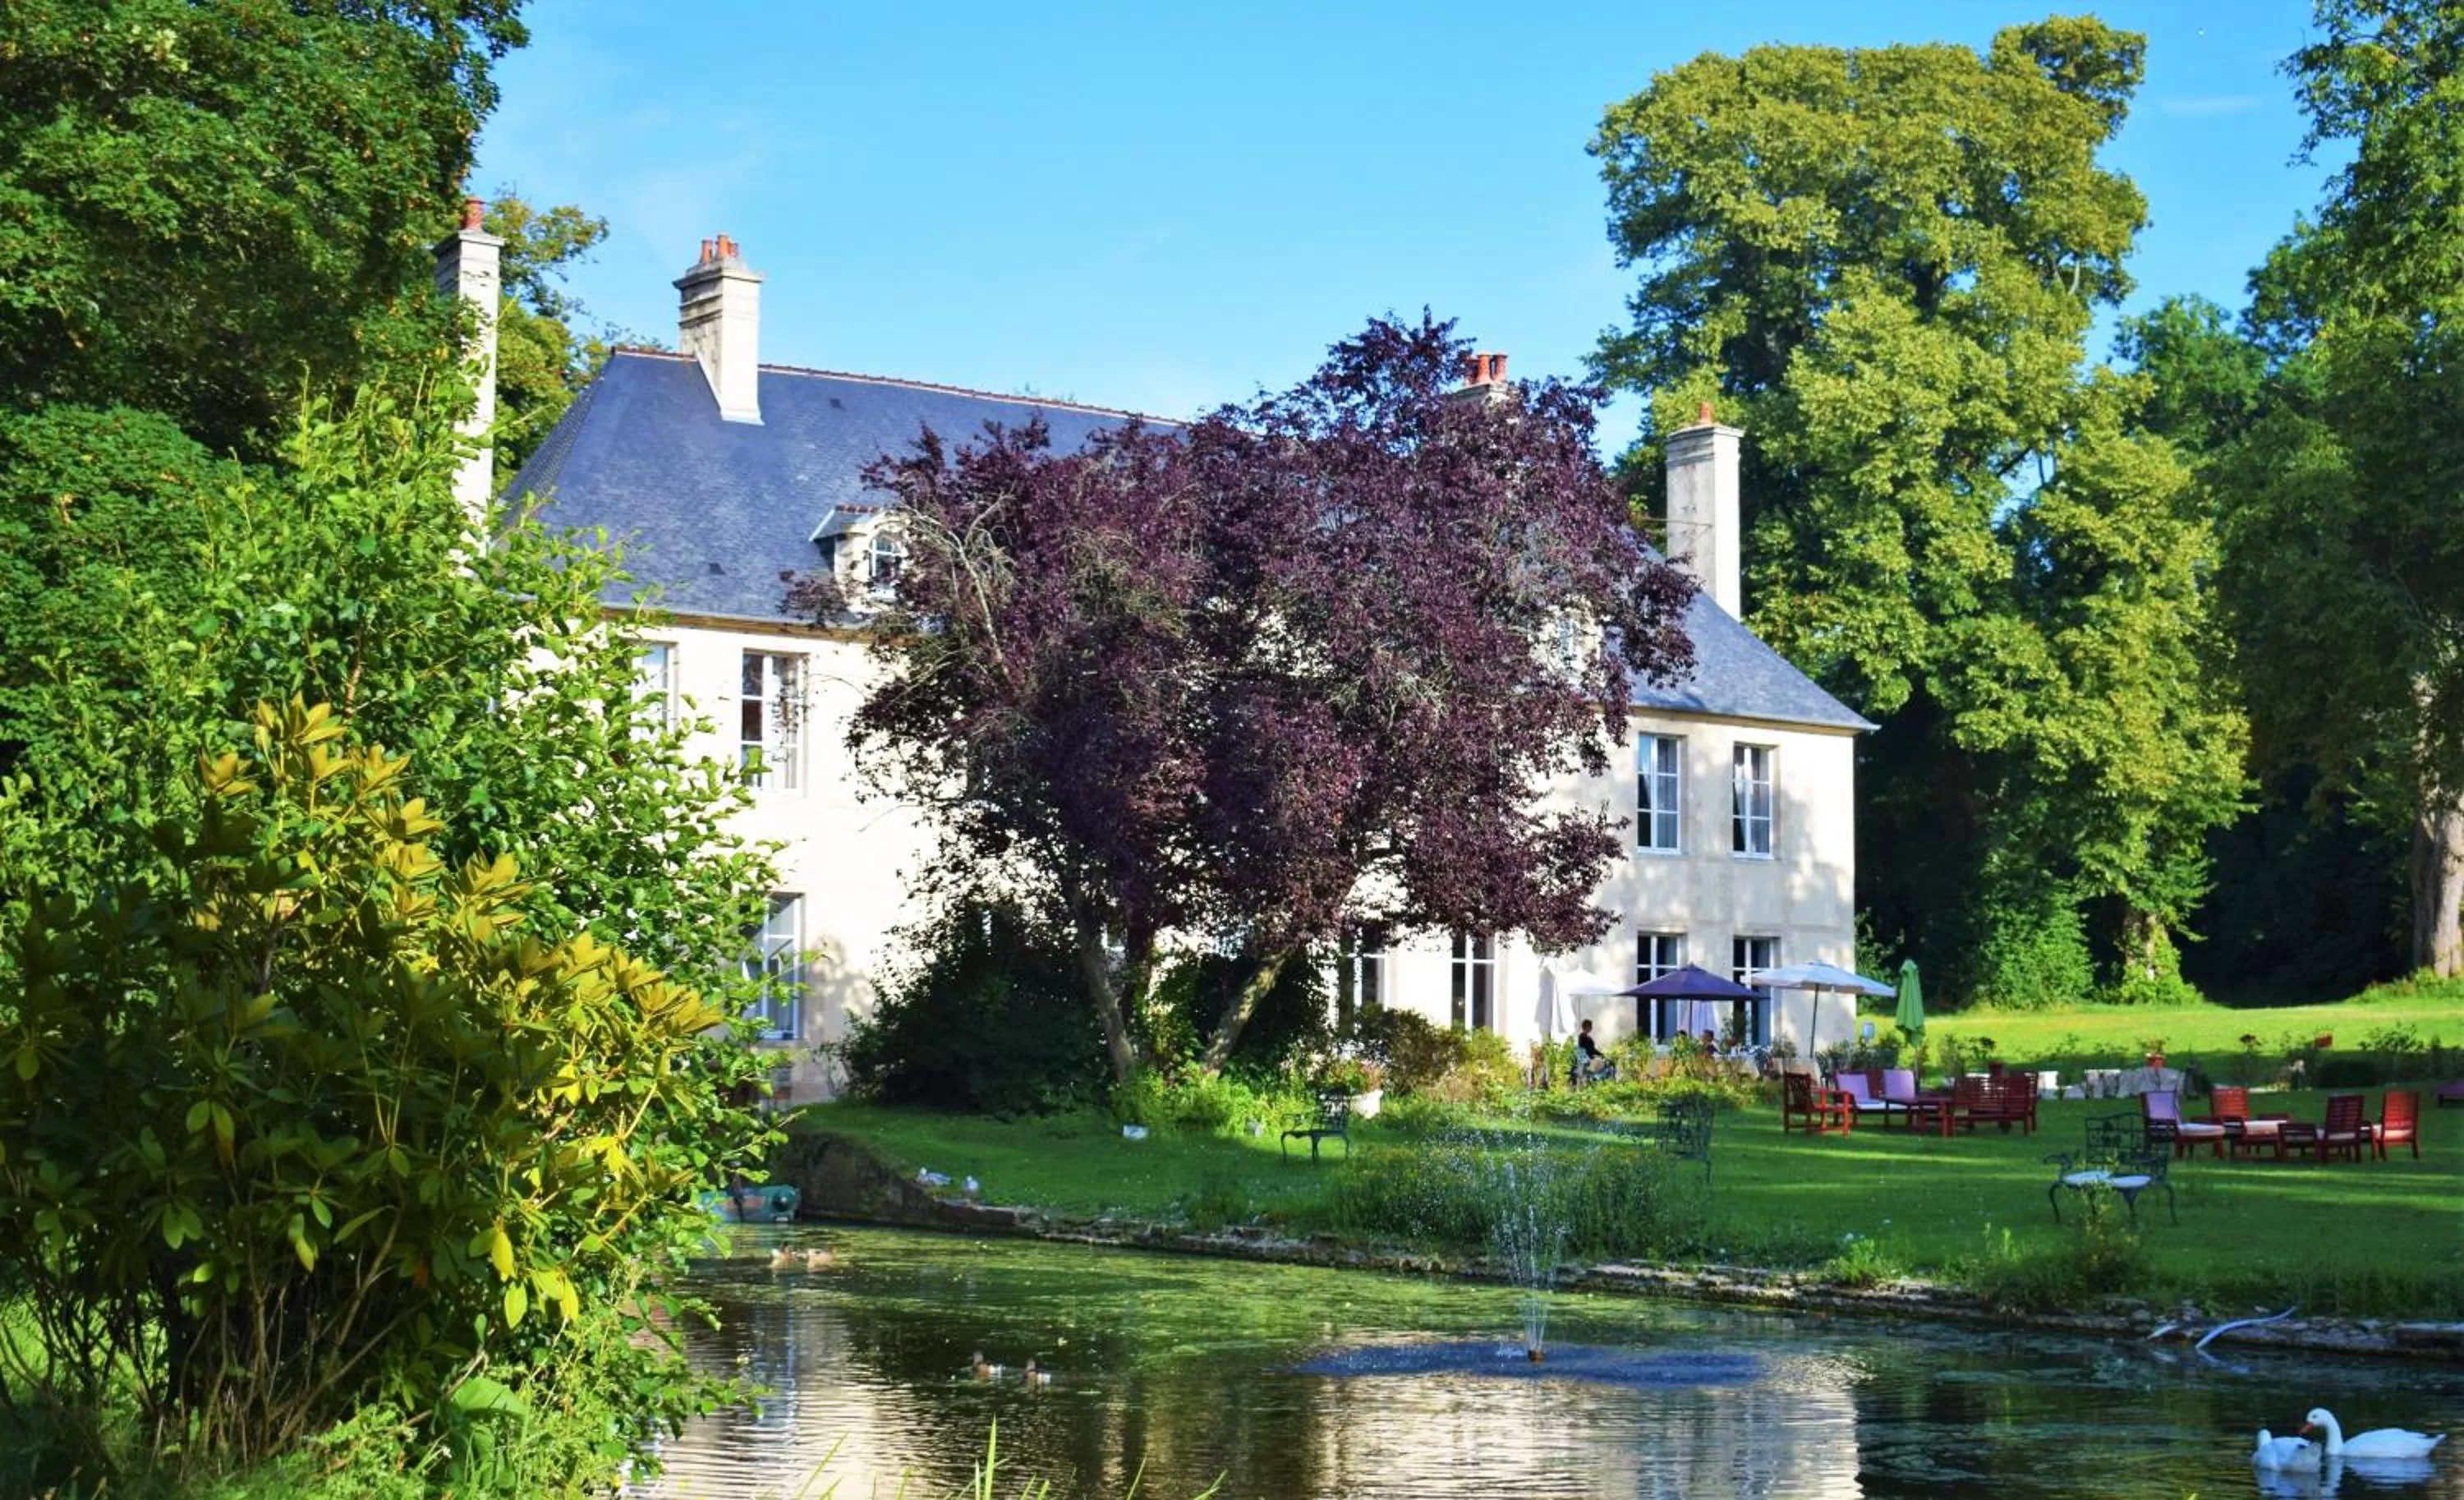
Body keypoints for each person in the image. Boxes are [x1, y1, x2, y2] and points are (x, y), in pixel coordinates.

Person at [1573, 1019, 1615, 1086]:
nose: (1592, 1028)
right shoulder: (1581, 1037)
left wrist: (1601, 1054)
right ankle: (1599, 1081)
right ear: (1586, 1027)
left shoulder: (1588, 1038)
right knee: (1606, 1065)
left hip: (1590, 1059)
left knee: (1608, 1063)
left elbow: (1592, 1049)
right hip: (1586, 1061)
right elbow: (1584, 1050)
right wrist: (1591, 1058)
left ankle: (1597, 1081)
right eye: (1590, 1026)